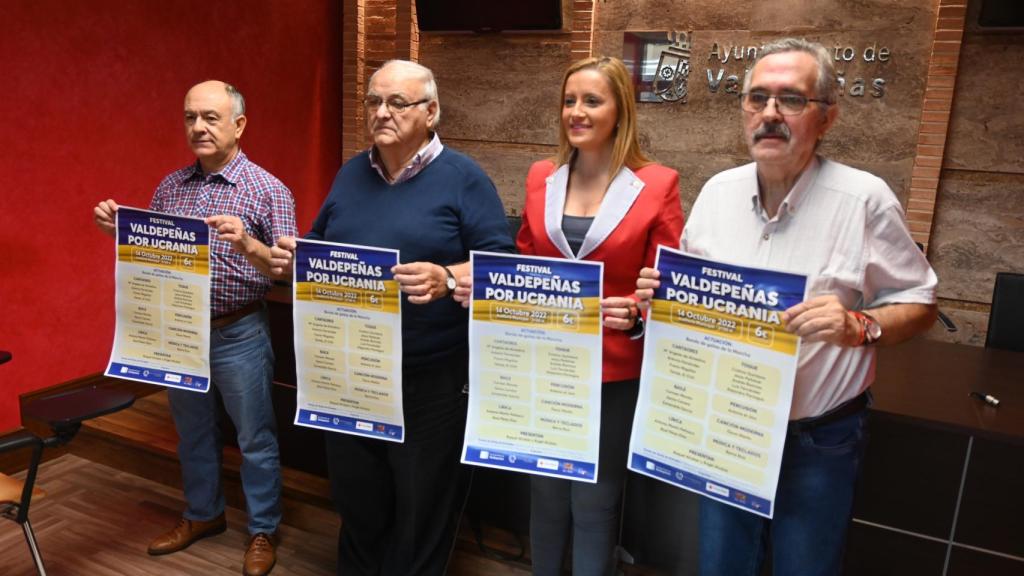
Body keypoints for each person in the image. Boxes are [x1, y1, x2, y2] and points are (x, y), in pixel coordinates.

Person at [635, 38, 938, 576]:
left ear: (827, 117)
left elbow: (920, 301)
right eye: (758, 98)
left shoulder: (864, 200)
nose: (770, 113)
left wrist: (859, 325)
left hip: (817, 441)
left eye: (791, 99)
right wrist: (661, 301)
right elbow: (694, 306)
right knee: (721, 566)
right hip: (725, 426)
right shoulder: (717, 193)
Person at [270, 59, 514, 576]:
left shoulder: (464, 179)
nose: (382, 112)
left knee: (420, 509)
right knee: (357, 500)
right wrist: (296, 256)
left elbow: (502, 267)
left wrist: (448, 277)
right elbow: (322, 246)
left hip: (429, 378)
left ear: (431, 112)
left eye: (397, 102)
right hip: (351, 371)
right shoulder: (351, 173)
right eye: (374, 101)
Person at [454, 56, 684, 575]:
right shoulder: (542, 177)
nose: (576, 112)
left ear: (620, 112)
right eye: (569, 101)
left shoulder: (657, 184)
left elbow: (665, 288)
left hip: (613, 371)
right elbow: (524, 262)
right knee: (546, 492)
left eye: (592, 101)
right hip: (545, 363)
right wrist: (483, 286)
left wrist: (639, 313)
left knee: (595, 500)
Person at [93, 80, 295, 576]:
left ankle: (263, 529)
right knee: (192, 433)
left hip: (239, 334)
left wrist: (248, 243)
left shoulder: (269, 190)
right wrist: (122, 231)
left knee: (254, 438)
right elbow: (157, 259)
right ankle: (204, 514)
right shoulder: (170, 187)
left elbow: (289, 270)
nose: (198, 127)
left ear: (239, 125)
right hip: (180, 333)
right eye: (190, 117)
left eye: (210, 117)